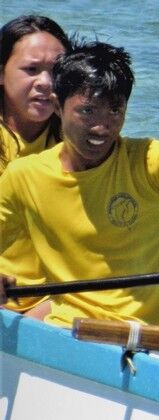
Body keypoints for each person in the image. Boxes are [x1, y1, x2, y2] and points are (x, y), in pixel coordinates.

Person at [0, 40, 159, 327]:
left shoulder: (152, 158)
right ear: (58, 106)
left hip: (157, 338)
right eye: (88, 111)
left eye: (115, 111)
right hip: (69, 330)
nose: (102, 126)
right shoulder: (24, 176)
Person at [0, 15, 71, 318]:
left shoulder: (82, 143)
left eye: (56, 72)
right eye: (31, 70)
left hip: (59, 301)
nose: (46, 83)